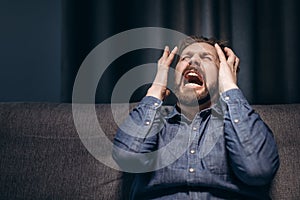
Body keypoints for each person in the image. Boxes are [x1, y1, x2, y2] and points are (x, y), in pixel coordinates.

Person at [113, 36, 280, 199]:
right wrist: (156, 90)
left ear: (223, 73)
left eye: (206, 57)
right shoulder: (152, 120)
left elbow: (258, 169)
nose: (193, 61)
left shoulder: (242, 120)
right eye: (186, 58)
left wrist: (230, 87)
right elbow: (127, 158)